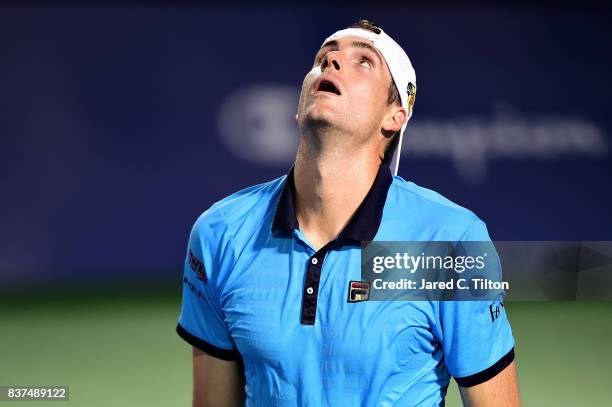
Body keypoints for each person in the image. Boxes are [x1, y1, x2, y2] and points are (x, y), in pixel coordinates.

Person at [176, 19, 520, 406]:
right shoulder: (220, 233)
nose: (333, 62)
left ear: (395, 115)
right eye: (325, 57)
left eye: (364, 61)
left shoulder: (448, 240)